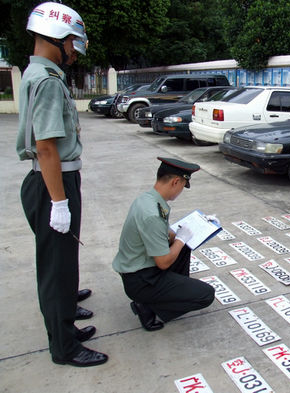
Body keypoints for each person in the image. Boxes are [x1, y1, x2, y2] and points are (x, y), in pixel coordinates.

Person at [16, 2, 107, 367]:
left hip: (53, 180)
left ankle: (65, 321)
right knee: (57, 269)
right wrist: (59, 202)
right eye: (71, 42)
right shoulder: (48, 81)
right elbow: (46, 147)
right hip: (54, 181)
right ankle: (65, 347)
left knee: (62, 263)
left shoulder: (37, 73)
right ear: (57, 36)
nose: (73, 50)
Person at [112, 157, 215, 331]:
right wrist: (181, 239)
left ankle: (169, 292)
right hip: (141, 281)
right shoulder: (152, 214)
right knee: (206, 295)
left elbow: (166, 234)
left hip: (140, 270)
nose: (181, 190)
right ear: (176, 182)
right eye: (183, 185)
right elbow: (163, 262)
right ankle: (146, 306)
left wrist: (192, 228)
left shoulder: (148, 199)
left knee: (183, 248)